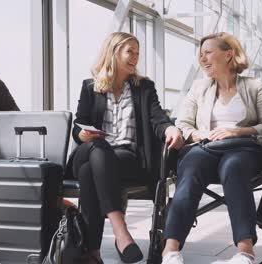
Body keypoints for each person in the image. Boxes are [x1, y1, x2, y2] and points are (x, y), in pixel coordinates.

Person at [161, 32, 262, 264]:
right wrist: (199, 134)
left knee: (234, 167)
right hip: (205, 147)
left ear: (228, 55)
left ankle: (245, 251)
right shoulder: (199, 88)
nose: (203, 59)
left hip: (243, 149)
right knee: (191, 169)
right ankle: (170, 250)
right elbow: (183, 124)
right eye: (201, 54)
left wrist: (238, 131)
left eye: (208, 52)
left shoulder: (254, 86)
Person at [68, 32, 183, 264]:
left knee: (89, 172)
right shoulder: (90, 87)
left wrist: (170, 129)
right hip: (88, 150)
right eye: (130, 51)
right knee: (97, 148)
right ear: (113, 52)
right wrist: (80, 133)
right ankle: (121, 231)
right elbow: (79, 123)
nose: (135, 57)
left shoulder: (144, 87)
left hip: (125, 158)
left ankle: (92, 253)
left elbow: (157, 117)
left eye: (137, 53)